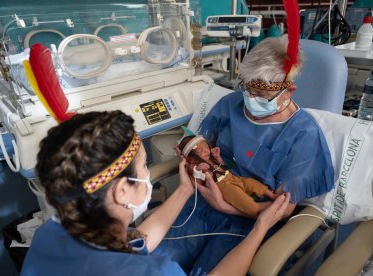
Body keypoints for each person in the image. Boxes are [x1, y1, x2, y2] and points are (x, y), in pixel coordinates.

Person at [20, 110, 290, 275]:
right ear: (123, 190)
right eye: (143, 168)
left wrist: (185, 190)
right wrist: (260, 229)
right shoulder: (157, 272)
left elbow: (134, 244)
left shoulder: (50, 235)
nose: (148, 174)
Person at [153, 35, 335, 272]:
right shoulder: (230, 105)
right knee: (156, 264)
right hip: (202, 202)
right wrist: (193, 158)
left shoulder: (303, 135)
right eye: (247, 88)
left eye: (260, 93)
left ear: (289, 90)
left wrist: (225, 206)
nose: (250, 99)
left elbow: (281, 211)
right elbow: (200, 147)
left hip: (249, 220)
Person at [178, 134, 279, 217]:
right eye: (200, 150)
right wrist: (198, 169)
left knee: (251, 182)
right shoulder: (193, 165)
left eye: (205, 146)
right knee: (240, 198)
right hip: (223, 187)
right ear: (190, 158)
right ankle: (257, 209)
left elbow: (224, 167)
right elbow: (197, 182)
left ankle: (271, 194)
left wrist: (218, 158)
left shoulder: (210, 159)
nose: (206, 151)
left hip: (232, 177)